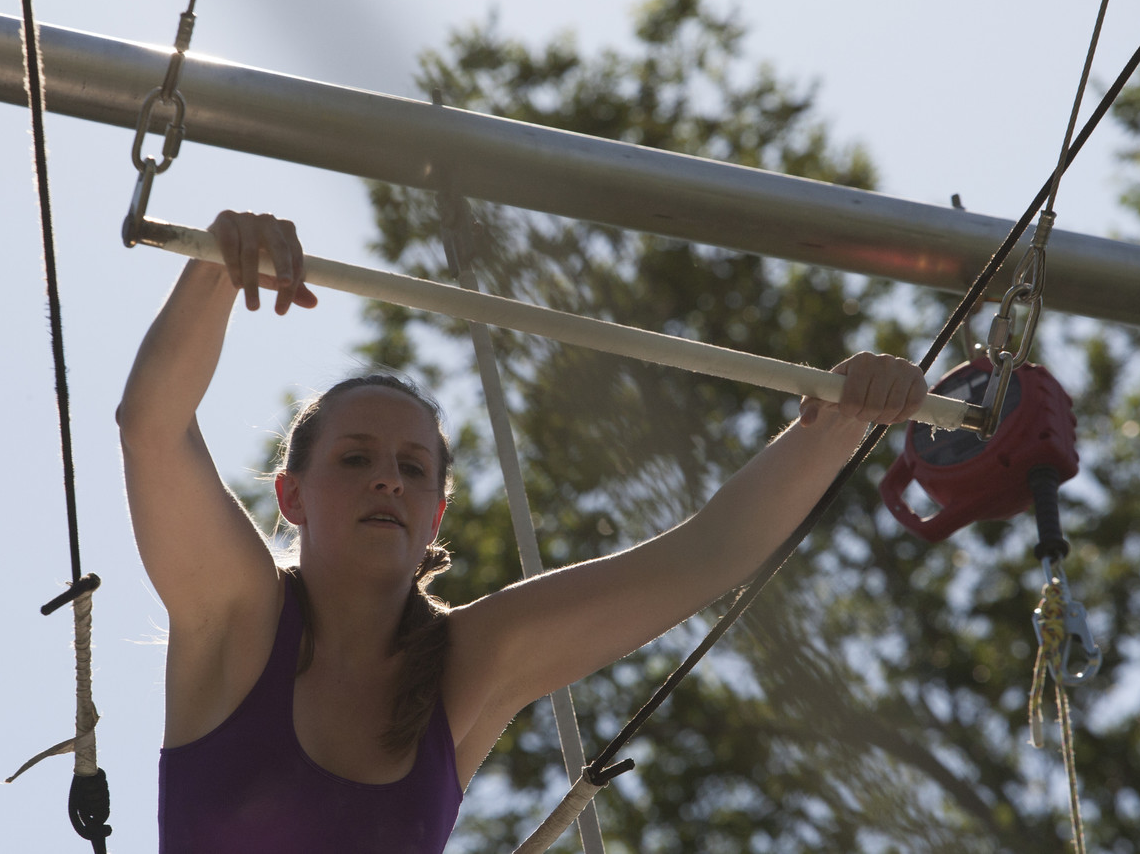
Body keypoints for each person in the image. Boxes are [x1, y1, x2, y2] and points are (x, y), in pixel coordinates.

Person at [117, 210, 929, 854]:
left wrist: (838, 424)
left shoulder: (473, 662)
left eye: (412, 466)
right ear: (292, 496)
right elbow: (151, 427)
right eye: (356, 457)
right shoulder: (238, 619)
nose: (388, 478)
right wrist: (219, 267)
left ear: (435, 512)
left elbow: (702, 557)